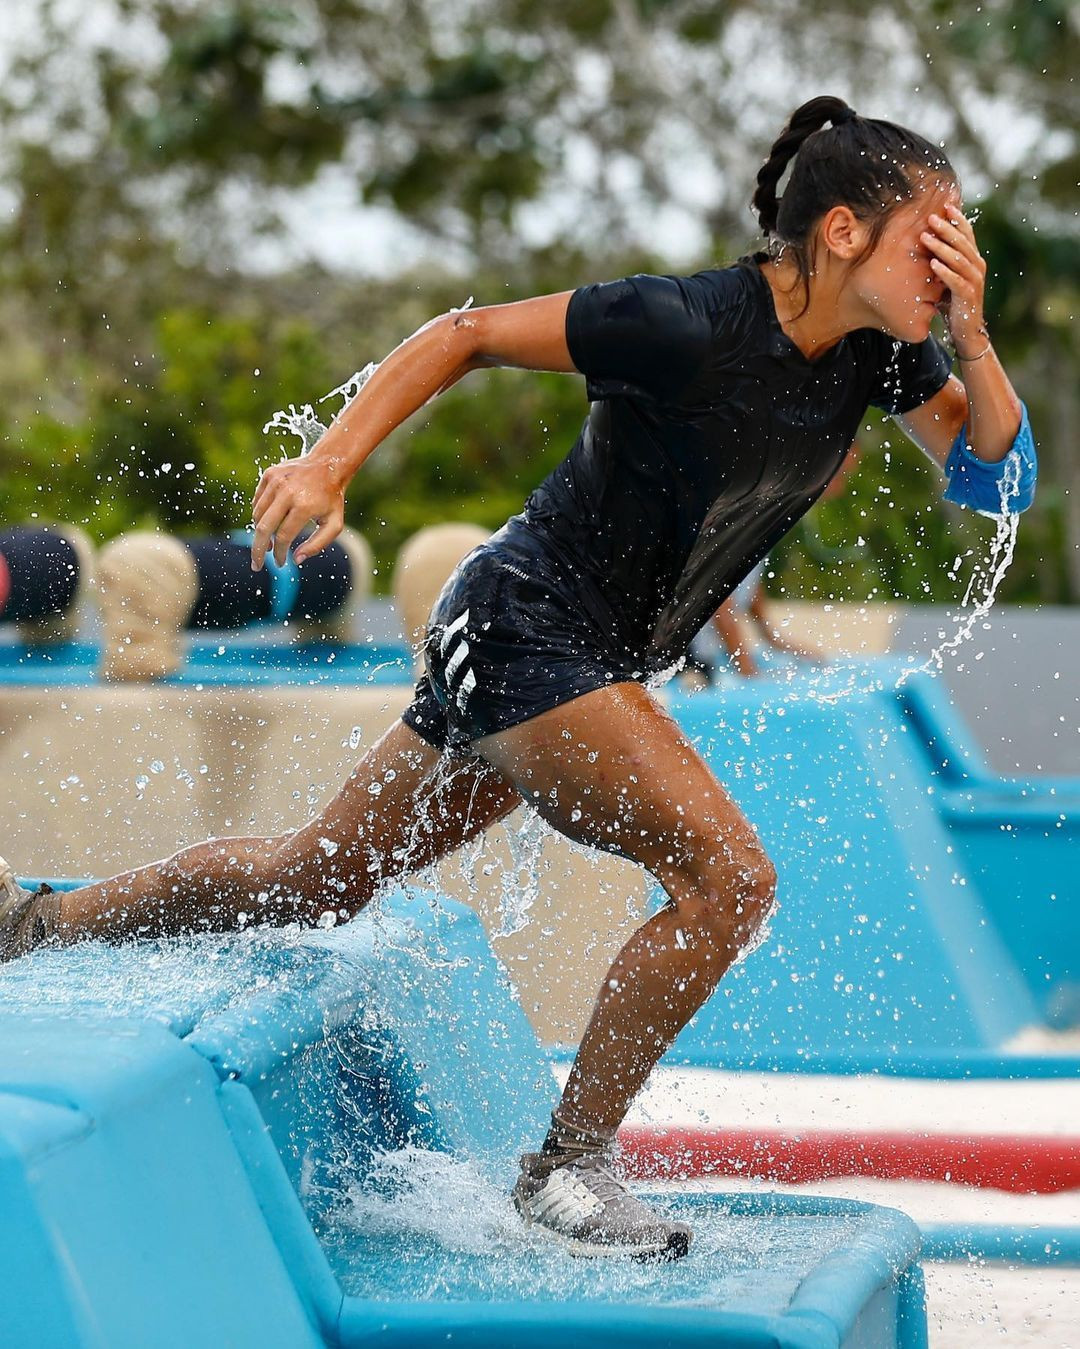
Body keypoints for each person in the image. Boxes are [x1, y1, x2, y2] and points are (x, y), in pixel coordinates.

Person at [0, 95, 1037, 1260]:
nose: (955, 270)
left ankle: (34, 924)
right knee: (729, 878)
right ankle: (569, 1167)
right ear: (843, 232)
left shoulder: (884, 357)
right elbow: (468, 332)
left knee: (315, 877)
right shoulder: (683, 321)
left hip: (562, 649)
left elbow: (995, 477)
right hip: (525, 624)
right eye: (935, 241)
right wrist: (332, 463)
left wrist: (976, 341)